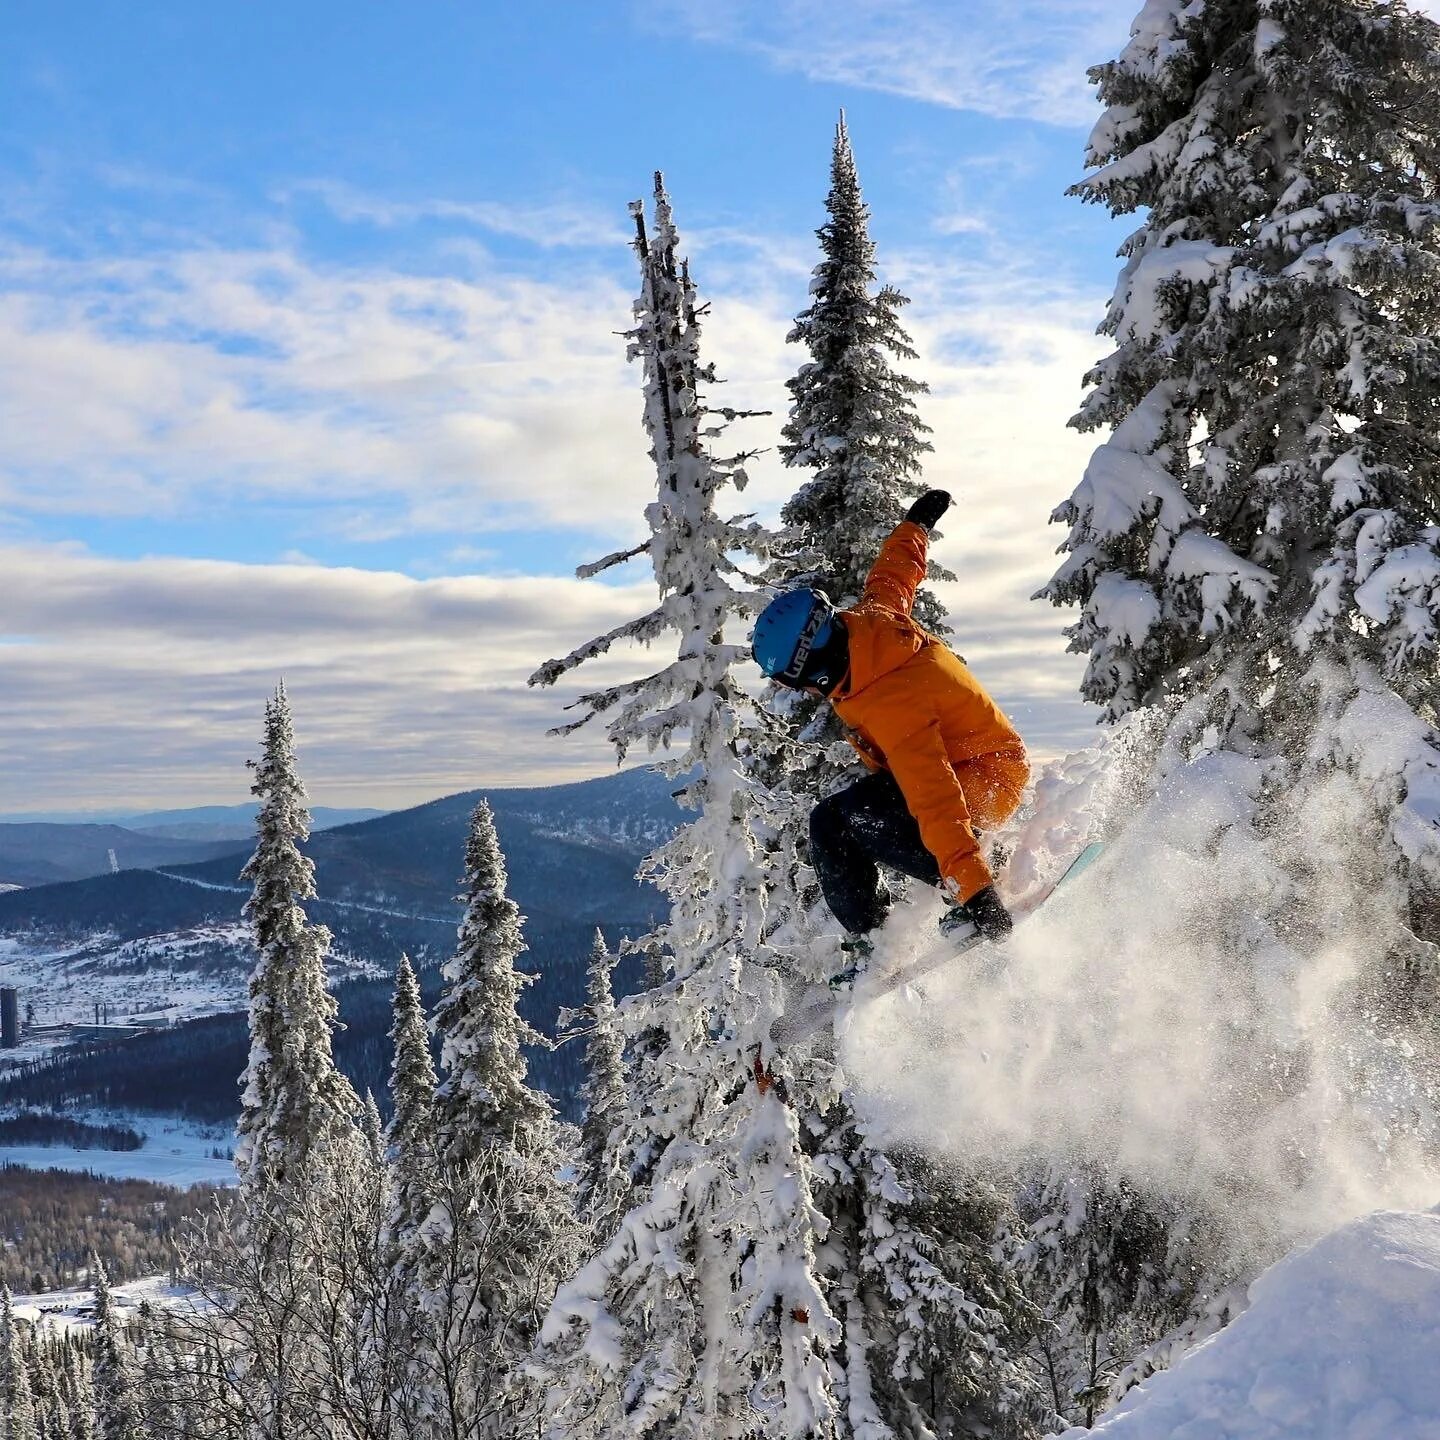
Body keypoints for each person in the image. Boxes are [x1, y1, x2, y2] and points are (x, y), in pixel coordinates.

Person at [752, 489, 1029, 956]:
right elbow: (893, 577)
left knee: (845, 821)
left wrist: (976, 889)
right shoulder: (870, 629)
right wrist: (914, 527)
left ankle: (983, 870)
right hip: (975, 766)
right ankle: (877, 939)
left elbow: (934, 794)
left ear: (812, 665)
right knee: (831, 821)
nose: (802, 693)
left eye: (794, 681)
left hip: (985, 782)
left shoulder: (890, 699)